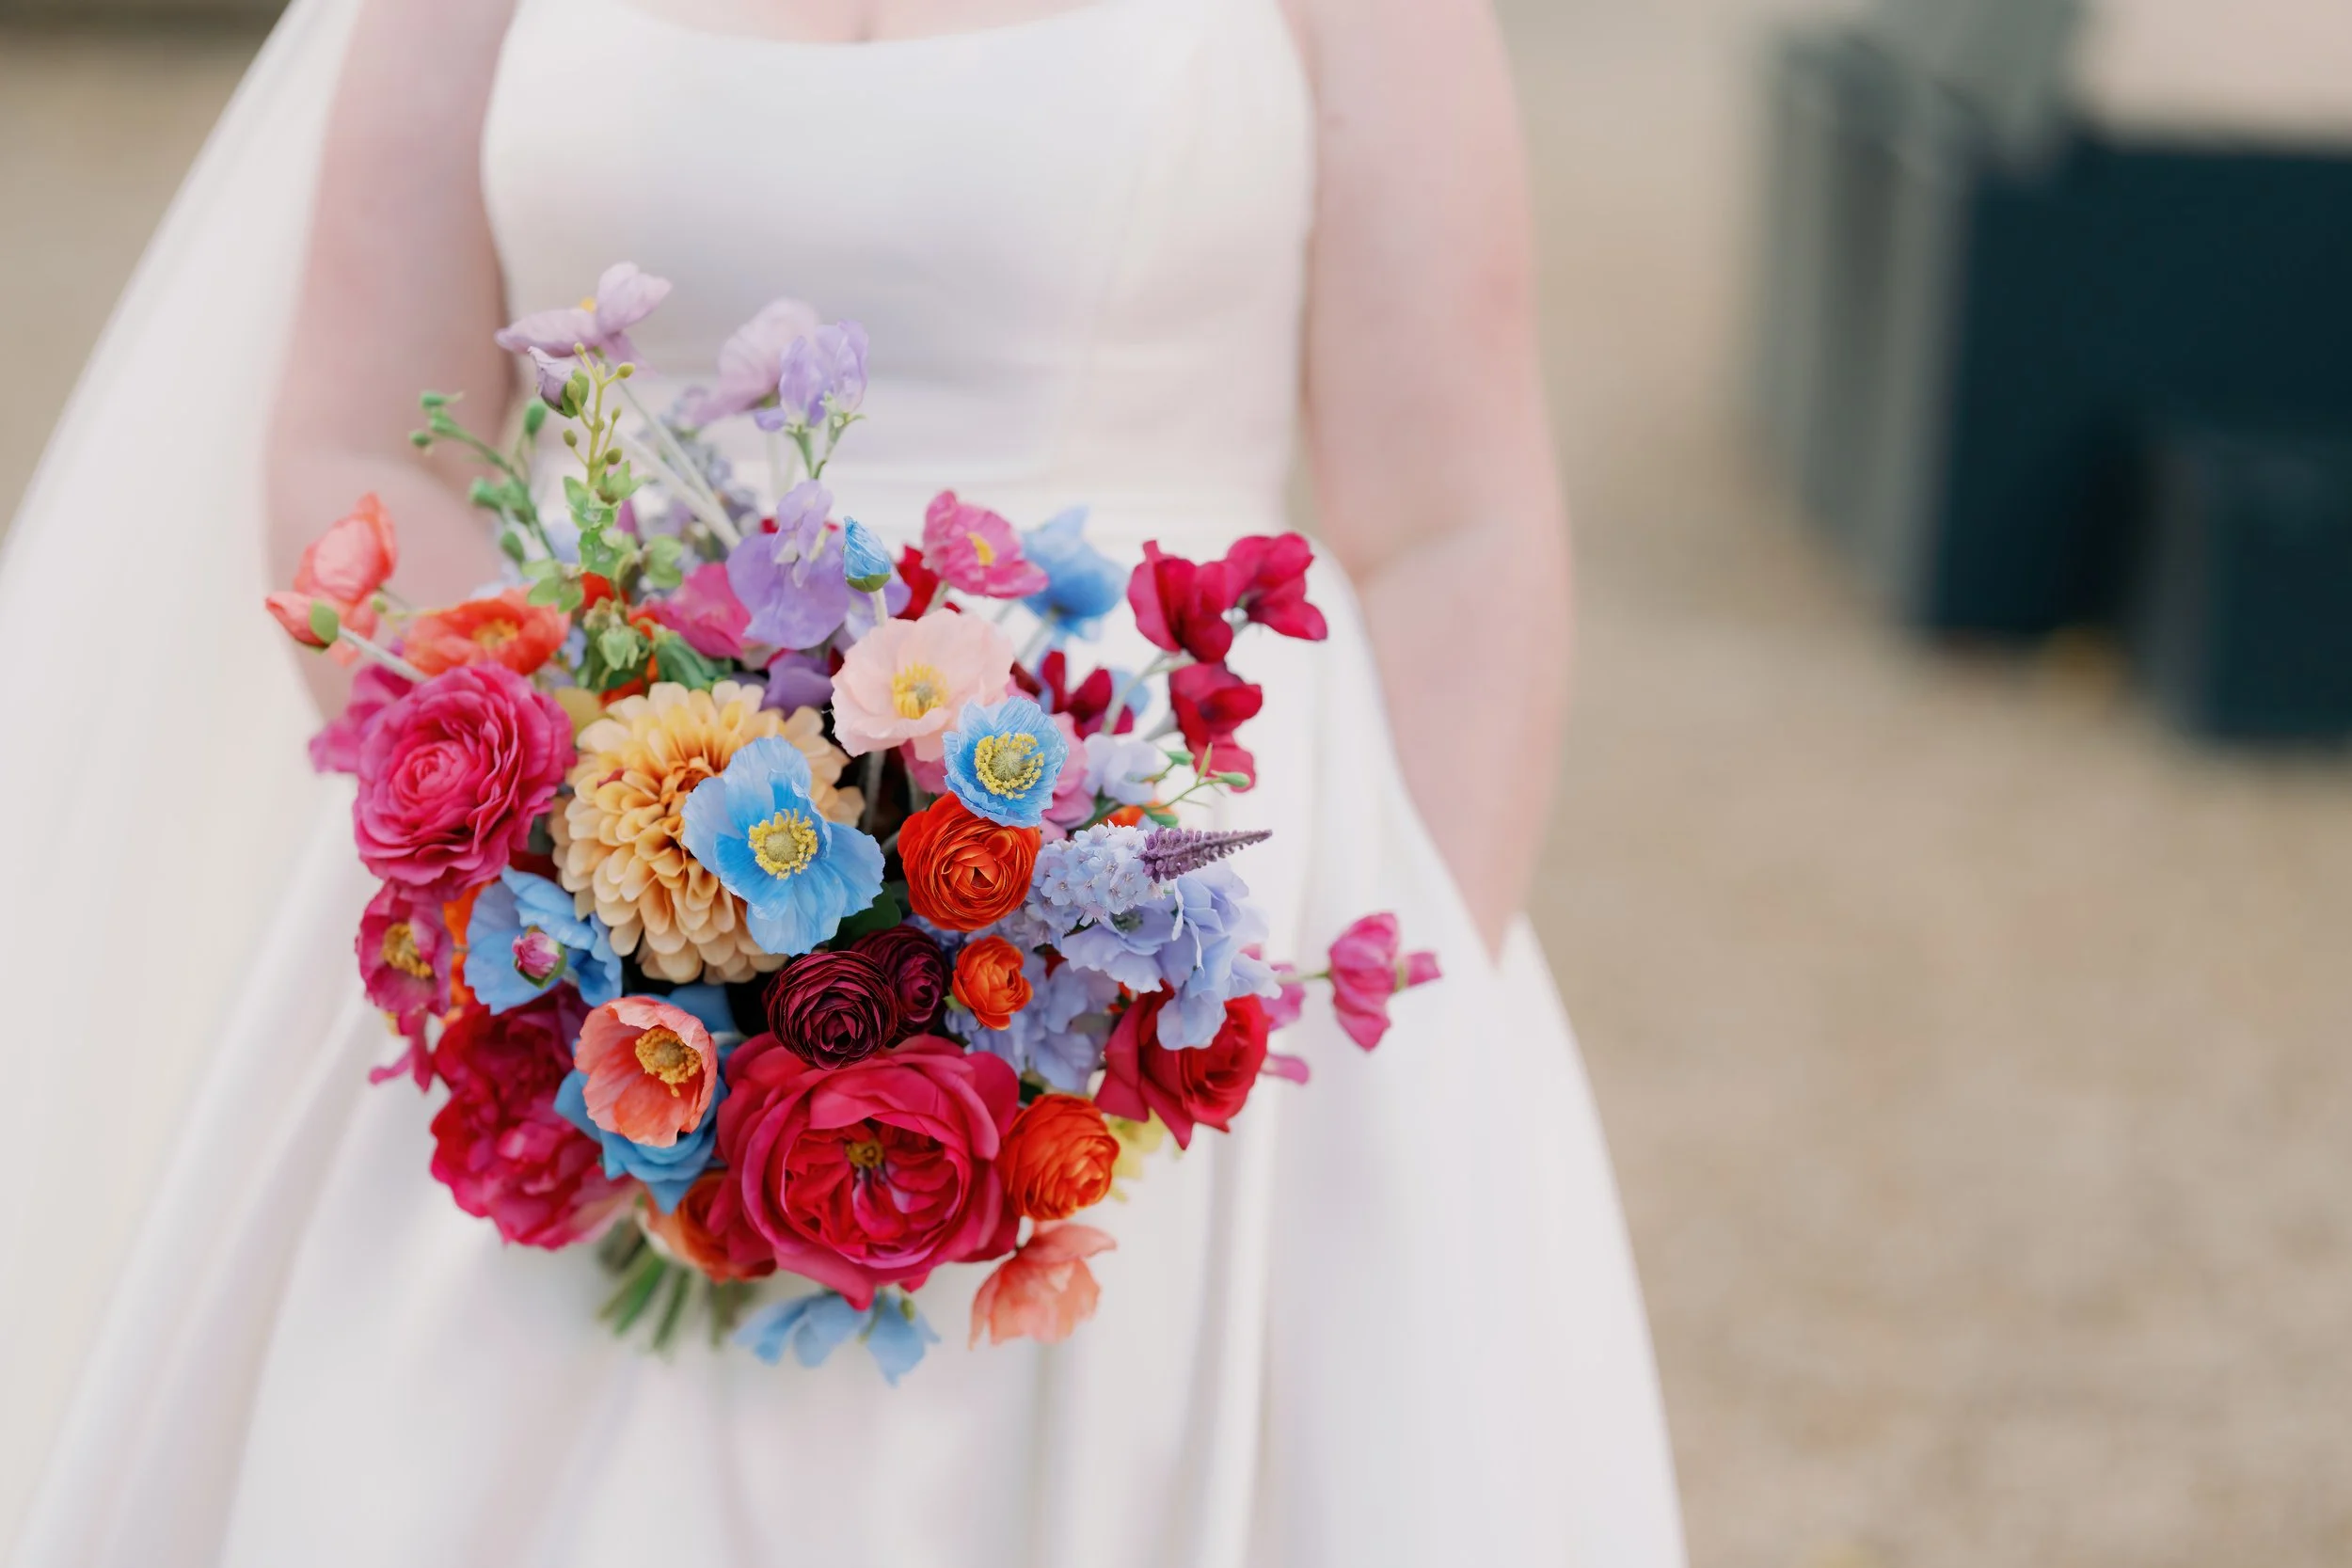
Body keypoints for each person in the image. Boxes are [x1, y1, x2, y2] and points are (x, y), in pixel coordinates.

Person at [3, 0, 1686, 1562]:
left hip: (1177, 952)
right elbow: (361, 447)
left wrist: (1394, 1044)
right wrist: (593, 872)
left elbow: (1458, 523)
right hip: (587, 916)